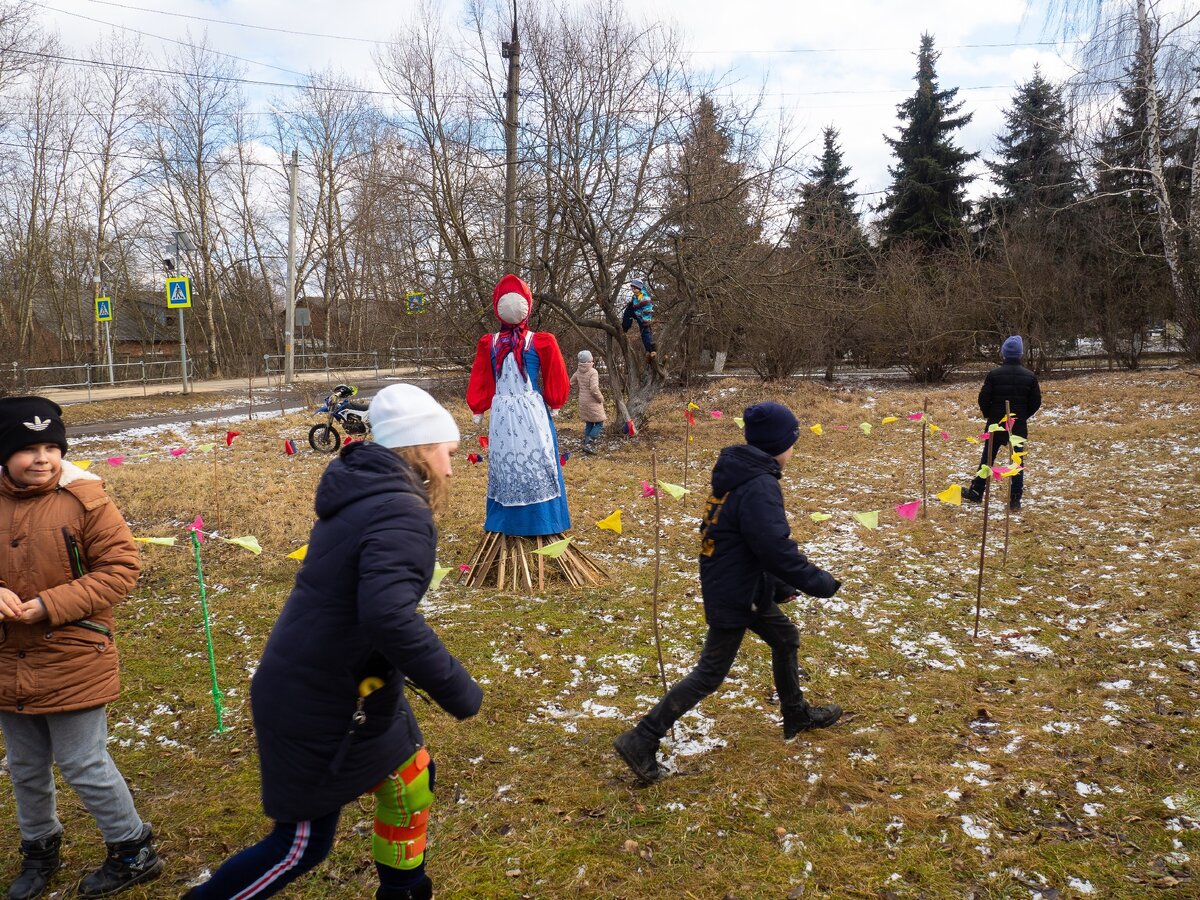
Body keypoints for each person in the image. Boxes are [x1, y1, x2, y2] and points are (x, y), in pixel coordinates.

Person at [184, 384, 483, 900]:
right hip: (318, 696)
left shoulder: (369, 494)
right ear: (418, 448)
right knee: (300, 846)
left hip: (360, 686)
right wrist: (458, 687)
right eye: (447, 453)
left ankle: (404, 889)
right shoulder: (399, 512)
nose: (452, 469)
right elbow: (388, 615)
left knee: (412, 776)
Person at [613, 401, 843, 784]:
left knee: (785, 638)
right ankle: (642, 737)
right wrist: (817, 582)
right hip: (736, 592)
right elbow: (773, 547)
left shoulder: (743, 476)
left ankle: (796, 712)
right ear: (778, 445)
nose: (793, 451)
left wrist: (780, 586)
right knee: (710, 672)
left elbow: (751, 541)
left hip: (742, 584)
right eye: (792, 443)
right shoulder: (758, 484)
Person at [0, 396, 160, 900]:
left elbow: (120, 570)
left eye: (51, 446)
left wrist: (51, 604)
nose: (42, 458)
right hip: (7, 661)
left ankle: (133, 850)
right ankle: (40, 850)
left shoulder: (87, 499)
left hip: (73, 655)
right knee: (24, 767)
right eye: (27, 448)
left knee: (84, 763)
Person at [466, 274, 571, 536]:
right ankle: (519, 522)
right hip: (512, 411)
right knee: (509, 462)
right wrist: (478, 405)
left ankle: (539, 521)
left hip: (521, 409)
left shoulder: (539, 341)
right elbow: (481, 374)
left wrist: (556, 399)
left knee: (534, 460)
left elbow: (554, 371)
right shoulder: (490, 343)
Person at [963, 335, 1042, 511]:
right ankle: (1015, 499)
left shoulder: (994, 375)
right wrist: (1022, 416)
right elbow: (1036, 402)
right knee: (1017, 462)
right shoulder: (1029, 376)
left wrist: (989, 415)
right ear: (1020, 354)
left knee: (987, 459)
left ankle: (977, 491)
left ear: (1004, 354)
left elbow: (984, 398)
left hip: (996, 424)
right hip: (1017, 426)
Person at [570, 349, 607, 455]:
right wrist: (601, 398)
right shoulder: (593, 372)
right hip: (592, 401)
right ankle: (589, 443)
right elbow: (594, 389)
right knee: (600, 423)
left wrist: (581, 386)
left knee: (589, 422)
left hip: (582, 400)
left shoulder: (578, 371)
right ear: (590, 360)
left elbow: (571, 382)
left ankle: (586, 443)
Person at [621, 278, 657, 363]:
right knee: (627, 312)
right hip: (637, 313)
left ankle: (651, 349)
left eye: (635, 288)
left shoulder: (644, 298)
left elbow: (648, 310)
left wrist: (646, 321)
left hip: (643, 317)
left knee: (645, 333)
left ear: (639, 288)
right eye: (632, 288)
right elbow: (634, 303)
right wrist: (631, 305)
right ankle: (625, 327)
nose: (633, 290)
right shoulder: (635, 296)